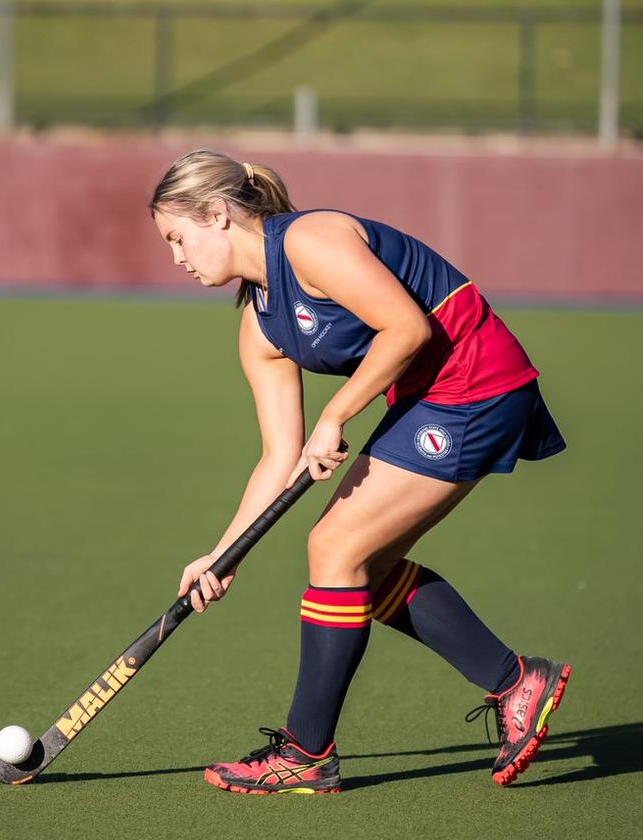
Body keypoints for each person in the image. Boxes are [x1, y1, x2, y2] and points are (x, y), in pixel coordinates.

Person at [150, 150, 571, 795]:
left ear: (216, 214)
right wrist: (223, 553)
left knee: (334, 547)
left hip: (475, 381)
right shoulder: (260, 326)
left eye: (179, 237)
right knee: (358, 571)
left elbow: (406, 328)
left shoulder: (311, 242)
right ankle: (519, 682)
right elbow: (278, 455)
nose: (176, 256)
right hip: (428, 399)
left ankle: (306, 752)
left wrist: (337, 414)